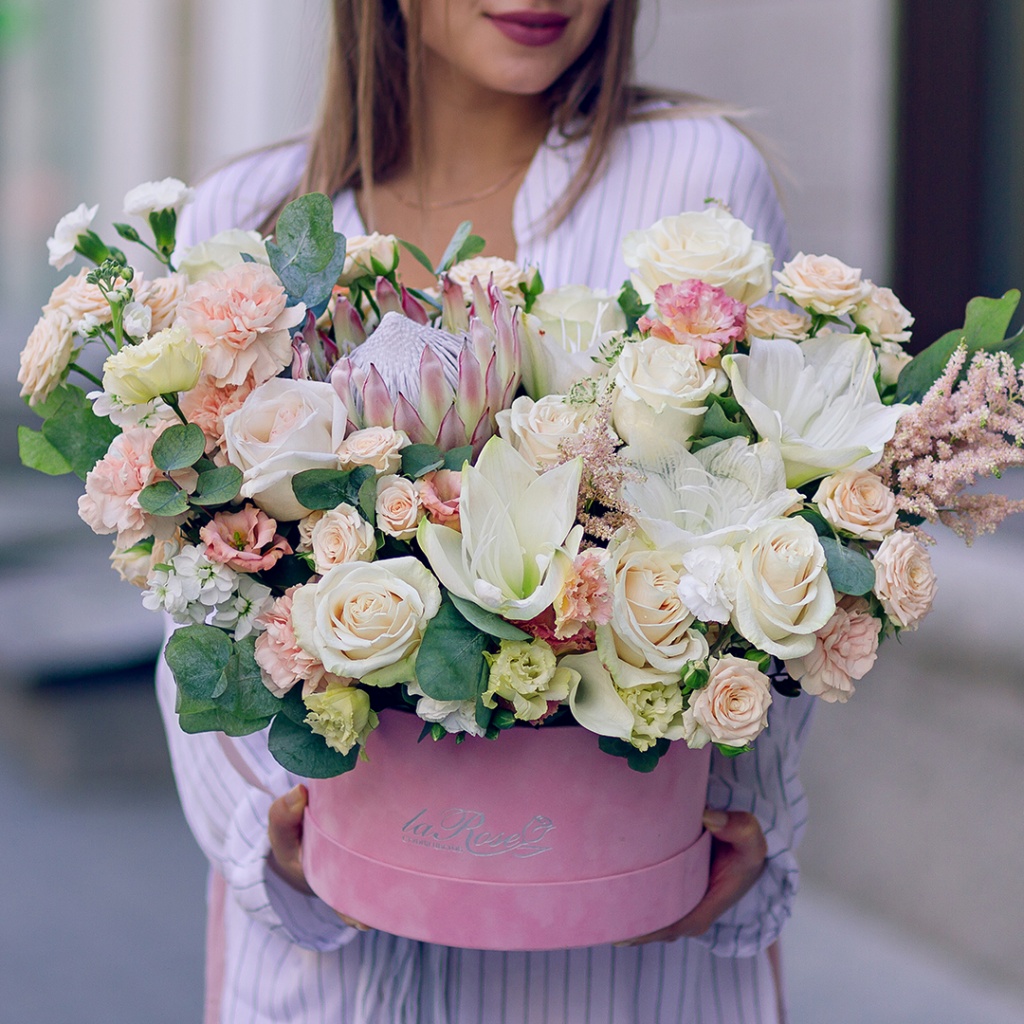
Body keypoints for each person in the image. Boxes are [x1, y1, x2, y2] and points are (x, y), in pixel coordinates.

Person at [157, 1, 814, 1021]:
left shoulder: (696, 186)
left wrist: (746, 836)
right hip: (332, 976)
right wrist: (267, 845)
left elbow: (775, 531)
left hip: (620, 957)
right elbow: (190, 580)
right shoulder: (241, 220)